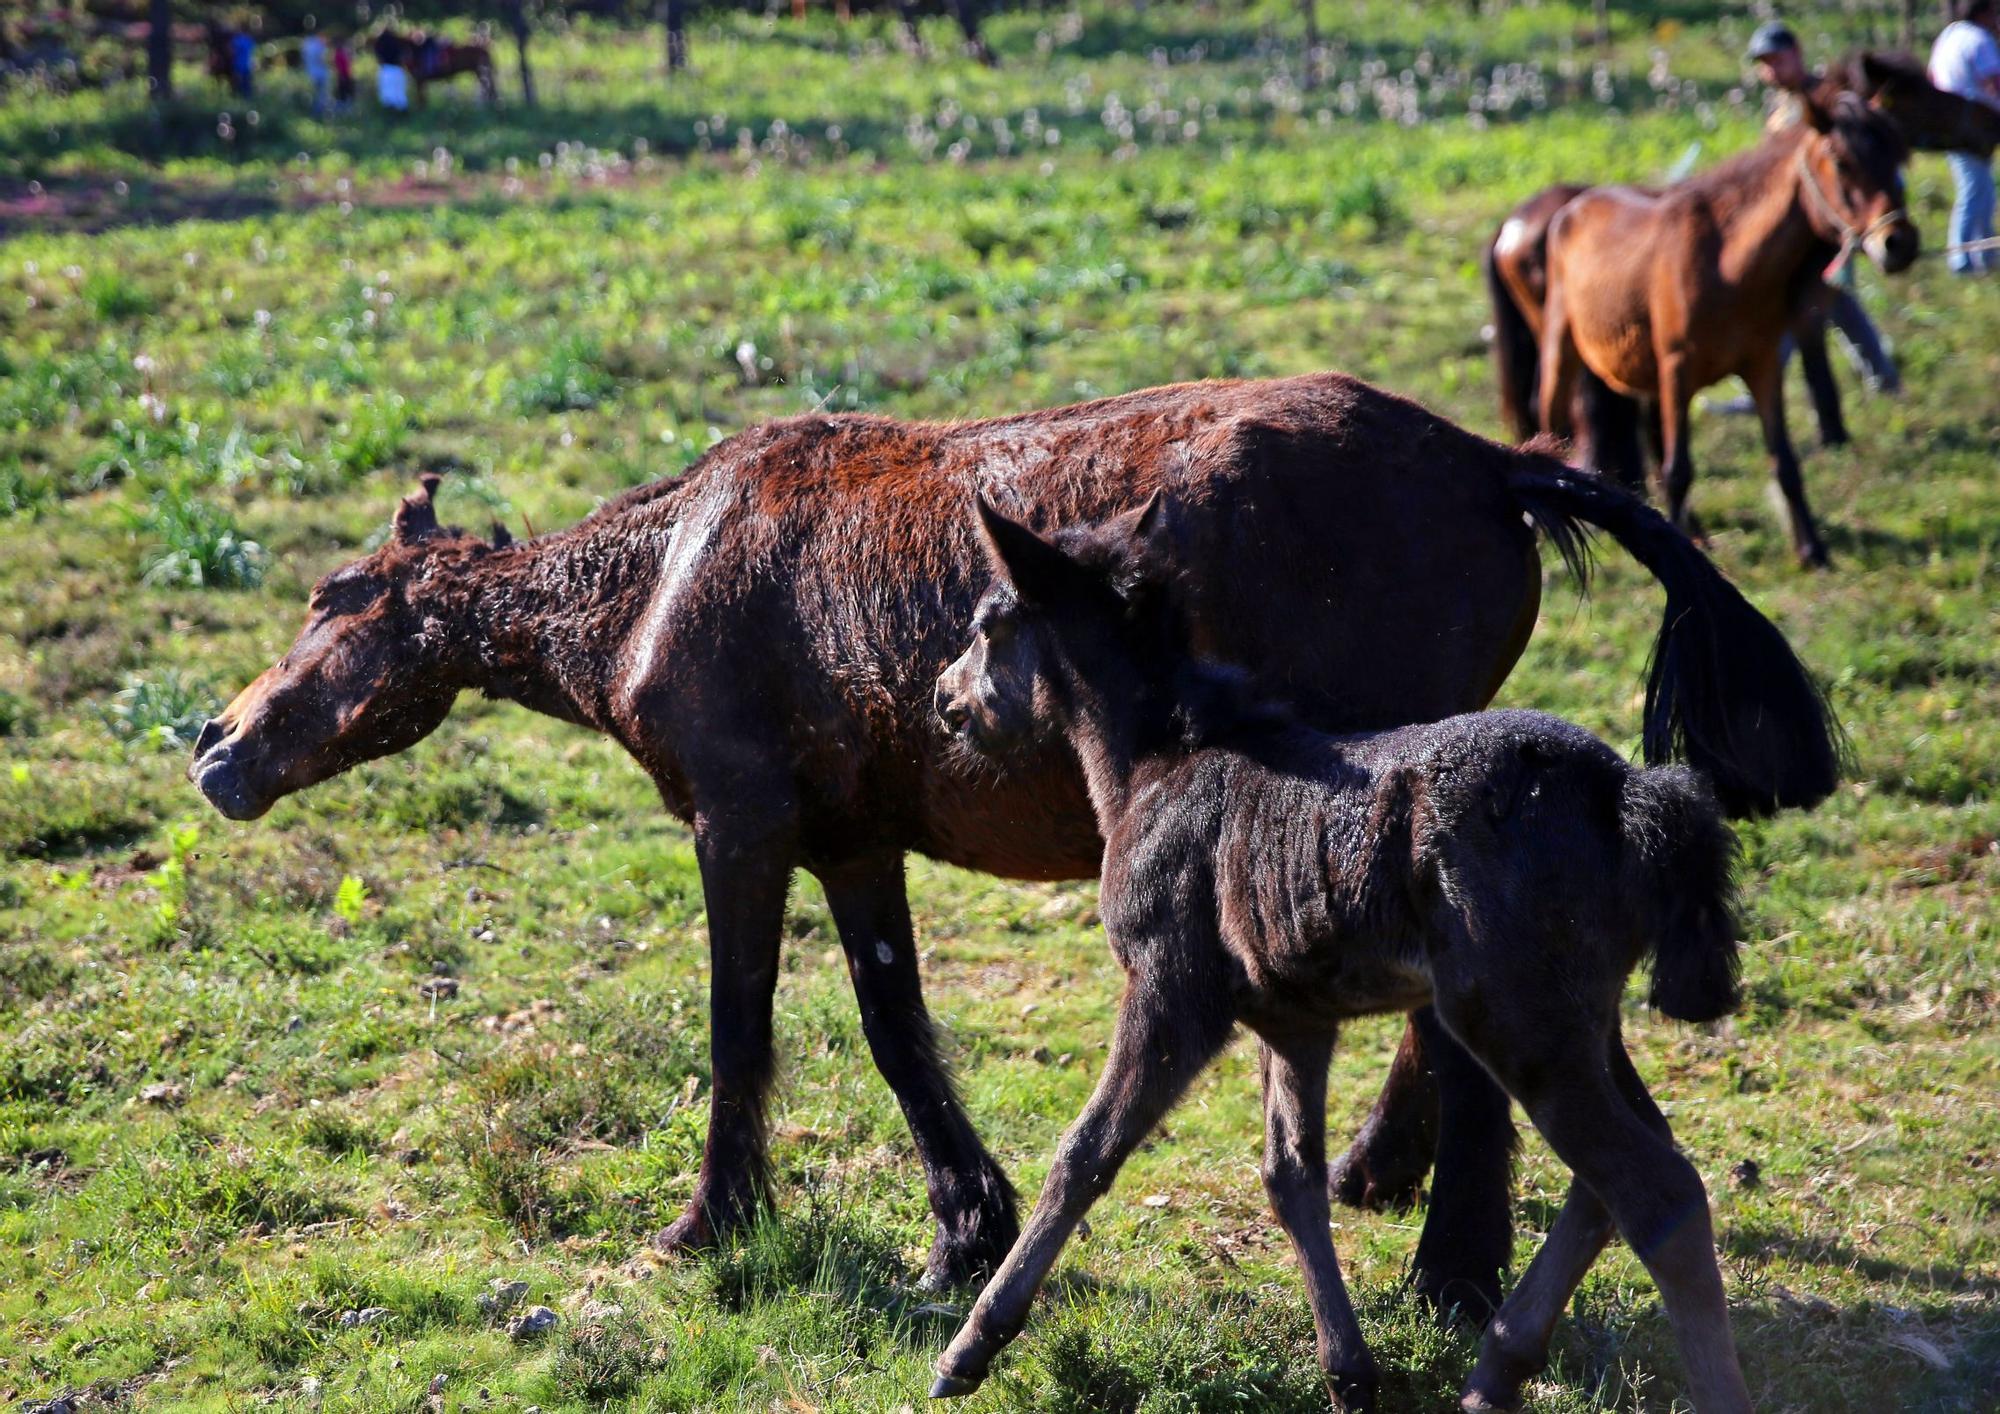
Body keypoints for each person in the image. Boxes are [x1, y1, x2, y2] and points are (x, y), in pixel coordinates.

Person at [1745, 21, 1901, 395]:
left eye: (1777, 60)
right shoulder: (1783, 108)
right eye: (1765, 63)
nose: (1771, 70)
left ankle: (1762, 390)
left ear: (1796, 54)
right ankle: (1882, 379)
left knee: (1813, 302)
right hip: (1796, 226)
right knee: (1826, 303)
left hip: (1825, 224)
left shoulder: (1827, 100)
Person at [1930, 0, 2000, 273]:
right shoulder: (1979, 39)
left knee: (1981, 188)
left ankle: (1986, 254)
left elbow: (1931, 77)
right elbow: (1994, 83)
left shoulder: (1949, 36)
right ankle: (1961, 258)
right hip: (1972, 127)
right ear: (1983, 13)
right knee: (1975, 190)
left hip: (1949, 124)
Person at [375, 25, 409, 113]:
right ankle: (400, 114)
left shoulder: (379, 42)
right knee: (399, 94)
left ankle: (391, 115)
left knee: (388, 95)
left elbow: (379, 58)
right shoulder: (398, 41)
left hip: (386, 69)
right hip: (398, 69)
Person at [301, 26, 330, 117]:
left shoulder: (306, 43)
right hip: (321, 74)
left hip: (310, 73)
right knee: (321, 96)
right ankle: (318, 115)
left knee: (312, 95)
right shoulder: (319, 44)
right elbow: (323, 59)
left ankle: (311, 114)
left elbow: (303, 59)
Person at [229, 25, 255, 98]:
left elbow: (231, 51)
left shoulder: (236, 40)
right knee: (247, 85)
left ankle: (237, 98)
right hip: (247, 65)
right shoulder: (249, 40)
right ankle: (247, 99)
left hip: (237, 65)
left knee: (237, 84)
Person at [332, 36, 356, 113]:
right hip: (342, 76)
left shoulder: (343, 53)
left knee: (347, 94)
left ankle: (346, 110)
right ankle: (342, 111)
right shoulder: (338, 54)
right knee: (343, 94)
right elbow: (339, 67)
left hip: (346, 75)